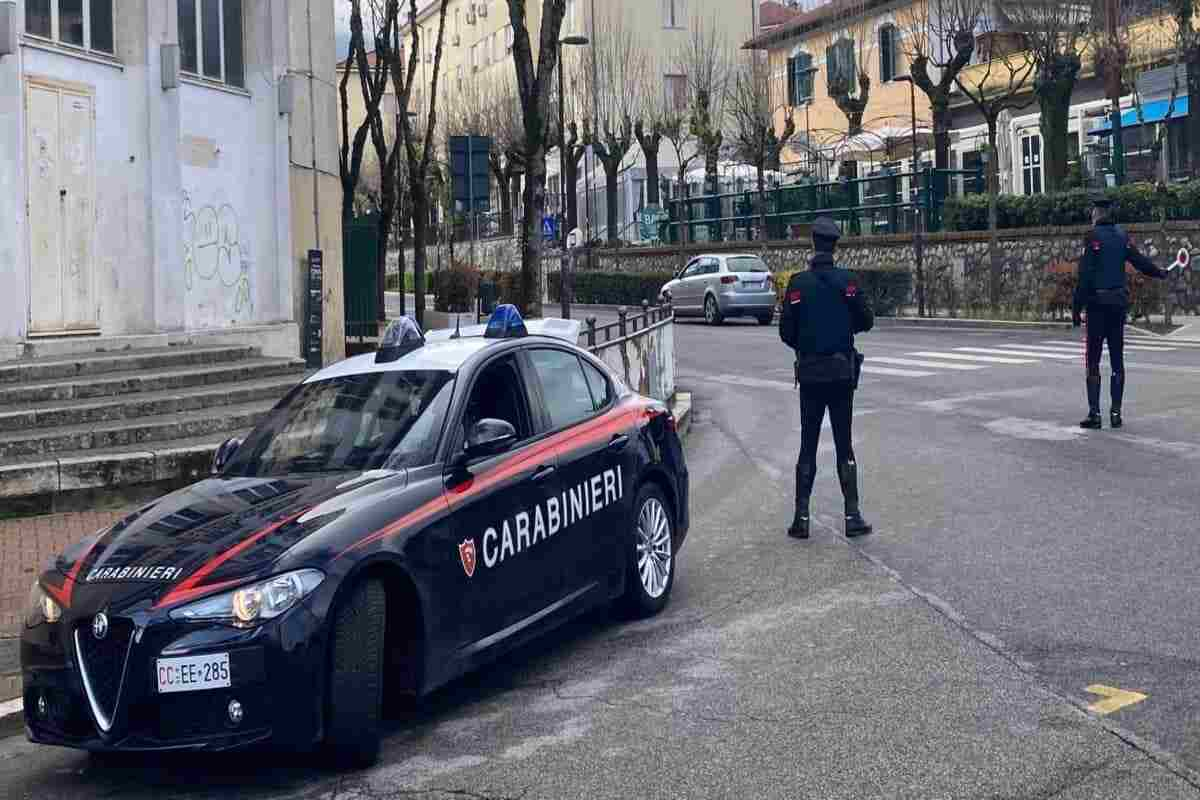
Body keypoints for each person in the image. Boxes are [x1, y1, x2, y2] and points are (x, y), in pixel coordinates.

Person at [779, 217, 875, 540]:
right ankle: (852, 514)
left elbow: (785, 332)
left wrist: (807, 345)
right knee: (843, 443)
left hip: (810, 375)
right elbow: (866, 320)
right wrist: (842, 331)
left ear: (812, 245)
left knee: (807, 443)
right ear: (835, 246)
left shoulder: (797, 284)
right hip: (840, 374)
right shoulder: (847, 281)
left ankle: (801, 517)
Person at [1072, 196, 1169, 429]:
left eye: (1092, 212)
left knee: (1093, 359)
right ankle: (1116, 413)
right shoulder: (1121, 236)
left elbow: (1085, 277)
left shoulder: (1092, 237)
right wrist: (1159, 272)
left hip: (1097, 307)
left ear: (1096, 213)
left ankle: (1095, 414)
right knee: (1117, 359)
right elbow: (1139, 261)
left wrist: (1076, 308)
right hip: (1117, 305)